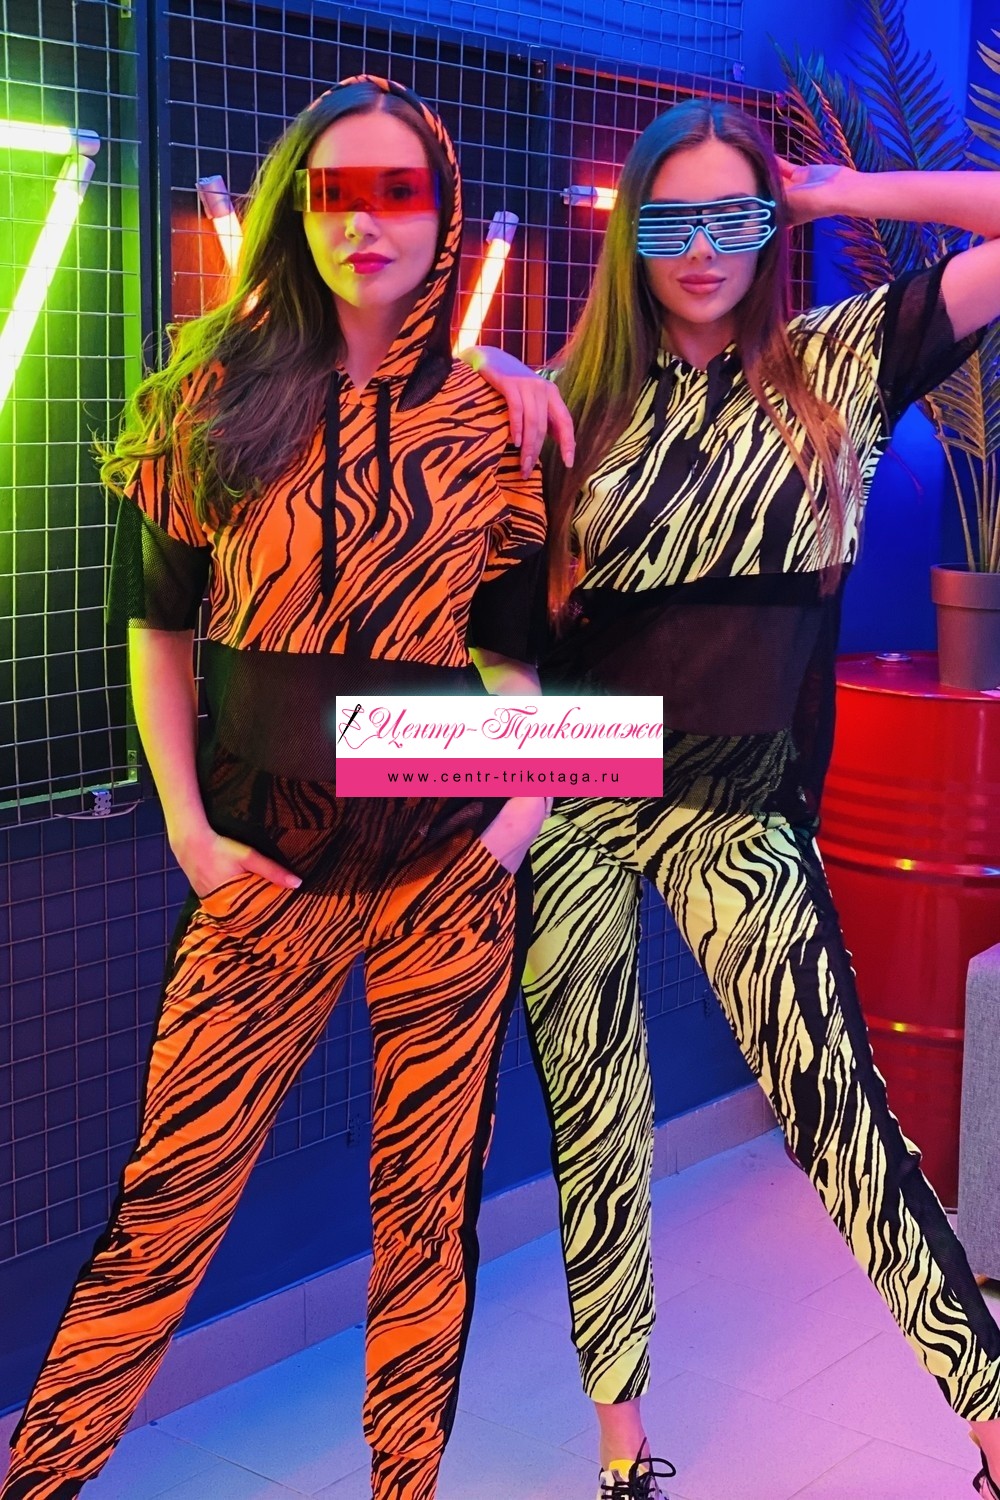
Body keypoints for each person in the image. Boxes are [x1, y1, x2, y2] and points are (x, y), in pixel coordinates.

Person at [0, 75, 552, 1500]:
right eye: (334, 191)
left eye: (398, 191)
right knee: (165, 1211)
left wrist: (519, 817)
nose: (366, 222)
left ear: (443, 212)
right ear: (296, 209)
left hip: (448, 870)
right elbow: (158, 632)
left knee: (428, 1216)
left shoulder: (496, 423)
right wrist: (188, 831)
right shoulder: (215, 398)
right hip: (261, 864)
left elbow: (518, 655)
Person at [471, 100, 1000, 1500]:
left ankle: (994, 1423)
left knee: (841, 1117)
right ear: (631, 232)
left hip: (741, 804)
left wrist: (839, 190)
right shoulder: (571, 403)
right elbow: (503, 622)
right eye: (673, 219)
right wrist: (491, 370)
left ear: (770, 224)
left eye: (735, 215)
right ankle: (622, 1452)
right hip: (578, 785)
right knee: (596, 1118)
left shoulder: (840, 359)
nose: (702, 248)